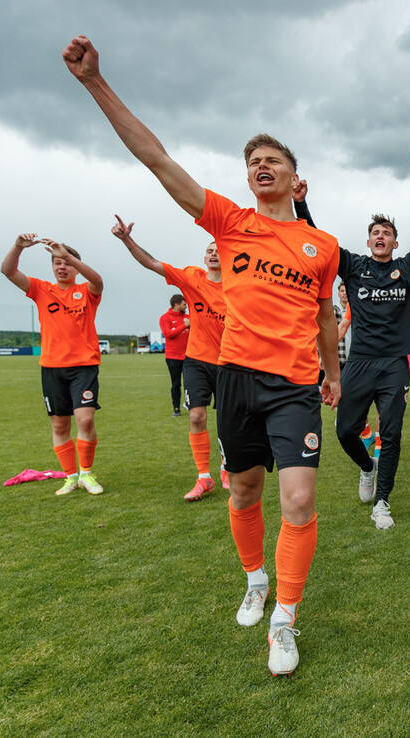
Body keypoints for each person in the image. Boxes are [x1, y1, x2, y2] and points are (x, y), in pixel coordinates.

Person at [64, 36, 341, 676]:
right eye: (253, 162)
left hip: (294, 386)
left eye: (273, 160)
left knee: (298, 501)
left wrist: (330, 371)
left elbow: (325, 314)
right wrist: (95, 84)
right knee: (243, 492)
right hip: (236, 379)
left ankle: (284, 621)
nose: (261, 167)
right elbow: (157, 159)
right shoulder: (228, 221)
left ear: (297, 179)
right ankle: (254, 579)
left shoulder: (321, 245)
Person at [294, 182, 410, 530]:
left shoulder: (406, 268)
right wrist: (301, 204)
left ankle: (383, 502)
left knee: (391, 434)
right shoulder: (353, 265)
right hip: (359, 362)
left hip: (394, 364)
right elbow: (316, 241)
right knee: (345, 431)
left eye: (387, 232)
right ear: (368, 241)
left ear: (394, 242)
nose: (380, 236)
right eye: (375, 232)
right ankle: (366, 467)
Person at [111, 217, 229, 500]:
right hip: (196, 360)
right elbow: (152, 263)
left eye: (219, 251)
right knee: (197, 415)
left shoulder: (238, 288)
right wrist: (127, 239)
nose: (213, 254)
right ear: (205, 257)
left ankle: (227, 467)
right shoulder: (192, 277)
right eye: (210, 251)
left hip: (229, 362)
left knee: (228, 421)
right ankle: (204, 478)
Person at [1, 234, 105, 497]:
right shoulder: (40, 289)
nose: (62, 267)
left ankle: (86, 474)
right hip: (51, 367)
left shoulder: (86, 292)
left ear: (75, 265)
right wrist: (18, 247)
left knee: (85, 419)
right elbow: (8, 271)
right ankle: (70, 477)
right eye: (57, 263)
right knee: (59, 426)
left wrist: (68, 254)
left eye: (67, 263)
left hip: (83, 366)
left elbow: (97, 281)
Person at [159, 294, 189, 417]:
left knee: (190, 382)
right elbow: (168, 334)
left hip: (189, 356)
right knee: (176, 383)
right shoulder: (165, 318)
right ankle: (176, 408)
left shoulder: (188, 317)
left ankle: (189, 404)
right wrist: (185, 326)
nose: (186, 306)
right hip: (173, 357)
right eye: (184, 304)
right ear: (176, 305)